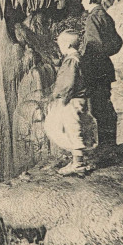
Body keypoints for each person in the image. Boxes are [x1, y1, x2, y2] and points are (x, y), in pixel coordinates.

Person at [43, 30, 97, 176]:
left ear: (66, 44)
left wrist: (59, 97)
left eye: (60, 43)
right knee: (75, 127)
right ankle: (79, 160)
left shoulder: (71, 60)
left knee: (72, 129)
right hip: (80, 99)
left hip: (72, 100)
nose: (59, 47)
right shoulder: (79, 58)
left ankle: (78, 164)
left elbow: (68, 82)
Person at [79, 0, 123, 150]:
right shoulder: (105, 16)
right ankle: (109, 144)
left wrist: (85, 65)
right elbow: (117, 43)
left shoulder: (93, 18)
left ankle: (106, 147)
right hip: (105, 68)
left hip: (95, 69)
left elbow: (93, 45)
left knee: (99, 110)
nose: (82, 1)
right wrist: (106, 53)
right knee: (104, 106)